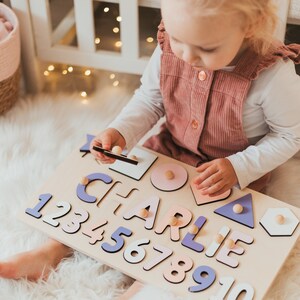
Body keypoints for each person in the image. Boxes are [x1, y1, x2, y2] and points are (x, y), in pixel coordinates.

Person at [1, 0, 299, 294]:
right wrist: (121, 131)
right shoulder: (170, 47)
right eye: (176, 38)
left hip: (226, 173)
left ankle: (147, 285)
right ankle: (52, 251)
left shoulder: (272, 75)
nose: (187, 56)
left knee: (194, 234)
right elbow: (150, 99)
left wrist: (239, 167)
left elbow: (291, 135)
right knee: (113, 199)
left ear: (250, 26)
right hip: (167, 148)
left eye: (207, 49)